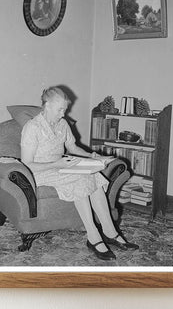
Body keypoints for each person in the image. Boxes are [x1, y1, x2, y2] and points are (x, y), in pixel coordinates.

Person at [21, 86, 138, 261]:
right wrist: (56, 163)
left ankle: (110, 232)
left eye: (65, 110)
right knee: (81, 179)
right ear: (46, 105)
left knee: (93, 175)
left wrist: (94, 156)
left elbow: (73, 147)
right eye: (60, 109)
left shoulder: (62, 124)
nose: (63, 114)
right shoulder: (32, 127)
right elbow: (27, 164)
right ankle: (93, 237)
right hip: (41, 172)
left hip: (61, 166)